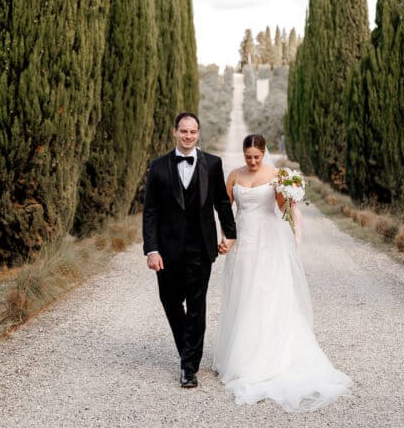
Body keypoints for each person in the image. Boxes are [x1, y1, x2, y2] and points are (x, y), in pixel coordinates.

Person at [213, 133, 352, 412]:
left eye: (256, 157)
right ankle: (240, 355)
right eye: (248, 157)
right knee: (243, 293)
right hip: (244, 241)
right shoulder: (234, 175)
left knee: (267, 295)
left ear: (264, 153)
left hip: (268, 241)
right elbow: (226, 208)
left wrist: (291, 195)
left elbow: (279, 207)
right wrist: (226, 237)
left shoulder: (277, 175)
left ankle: (268, 356)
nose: (252, 161)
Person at [142, 111, 237, 388]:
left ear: (198, 133)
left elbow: (221, 201)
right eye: (183, 131)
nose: (188, 136)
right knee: (170, 302)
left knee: (196, 306)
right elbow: (150, 212)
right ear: (175, 132)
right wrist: (152, 250)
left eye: (193, 132)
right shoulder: (158, 166)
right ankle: (189, 348)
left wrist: (230, 234)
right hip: (167, 250)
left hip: (200, 248)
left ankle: (188, 366)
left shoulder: (213, 164)